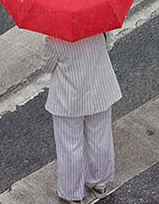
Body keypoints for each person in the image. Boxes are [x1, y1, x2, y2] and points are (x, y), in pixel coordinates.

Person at [38, 32, 121, 204]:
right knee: (100, 138)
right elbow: (108, 45)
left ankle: (72, 193)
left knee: (70, 146)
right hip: (100, 89)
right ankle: (99, 183)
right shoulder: (100, 26)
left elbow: (46, 66)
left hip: (69, 98)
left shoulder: (55, 38)